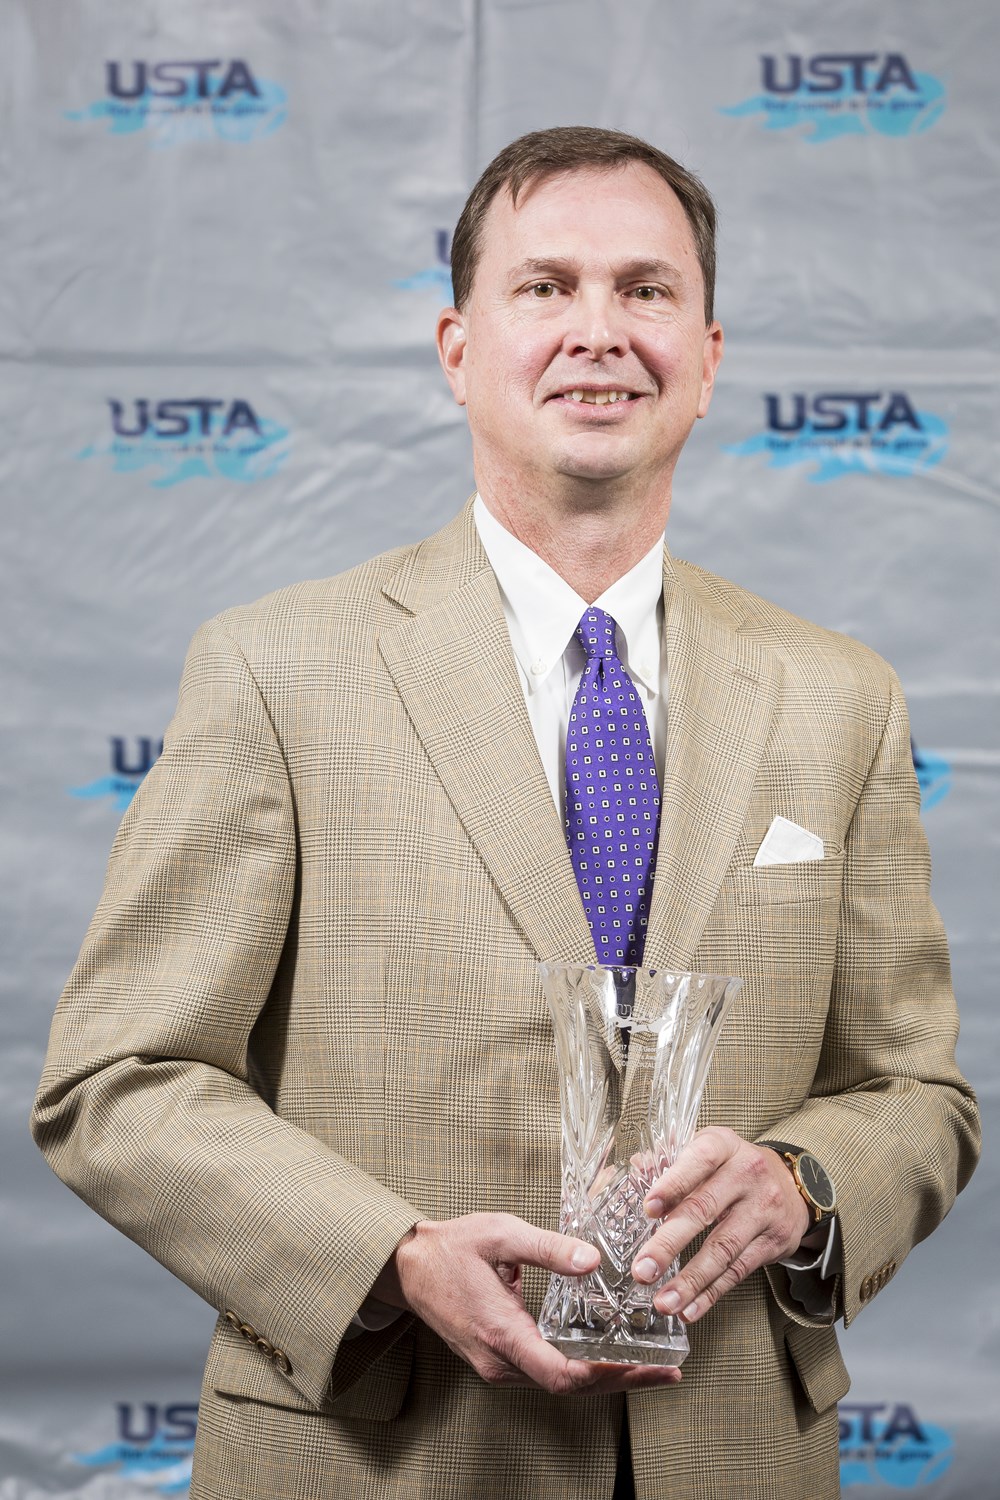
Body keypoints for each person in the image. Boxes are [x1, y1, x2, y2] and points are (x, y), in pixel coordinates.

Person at [32, 127, 979, 1500]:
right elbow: (116, 1082)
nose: (600, 331)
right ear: (458, 349)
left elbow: (916, 1094)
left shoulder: (842, 696)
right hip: (379, 1455)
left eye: (646, 290)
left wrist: (807, 1184)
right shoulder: (276, 670)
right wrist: (388, 1258)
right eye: (546, 287)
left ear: (708, 356)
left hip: (734, 1457)